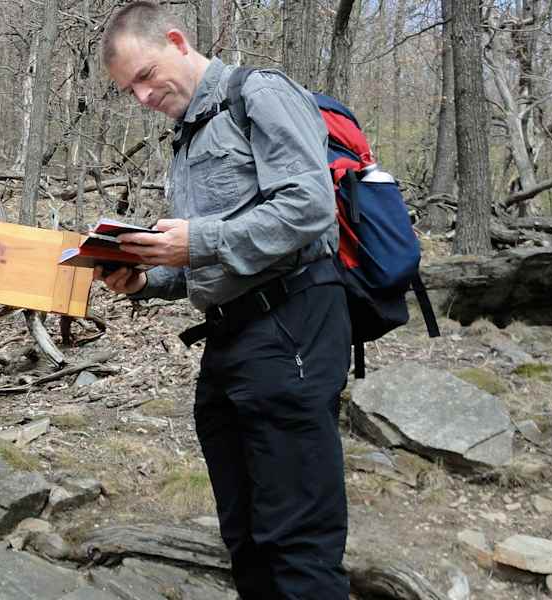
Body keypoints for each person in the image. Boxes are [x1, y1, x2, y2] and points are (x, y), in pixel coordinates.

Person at [97, 2, 352, 598]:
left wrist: (198, 239)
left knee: (297, 539)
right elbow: (214, 258)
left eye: (144, 76)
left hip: (293, 326)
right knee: (246, 535)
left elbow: (309, 207)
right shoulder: (187, 136)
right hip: (229, 341)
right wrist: (145, 278)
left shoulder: (259, 93)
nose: (140, 98)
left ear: (178, 42)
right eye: (126, 89)